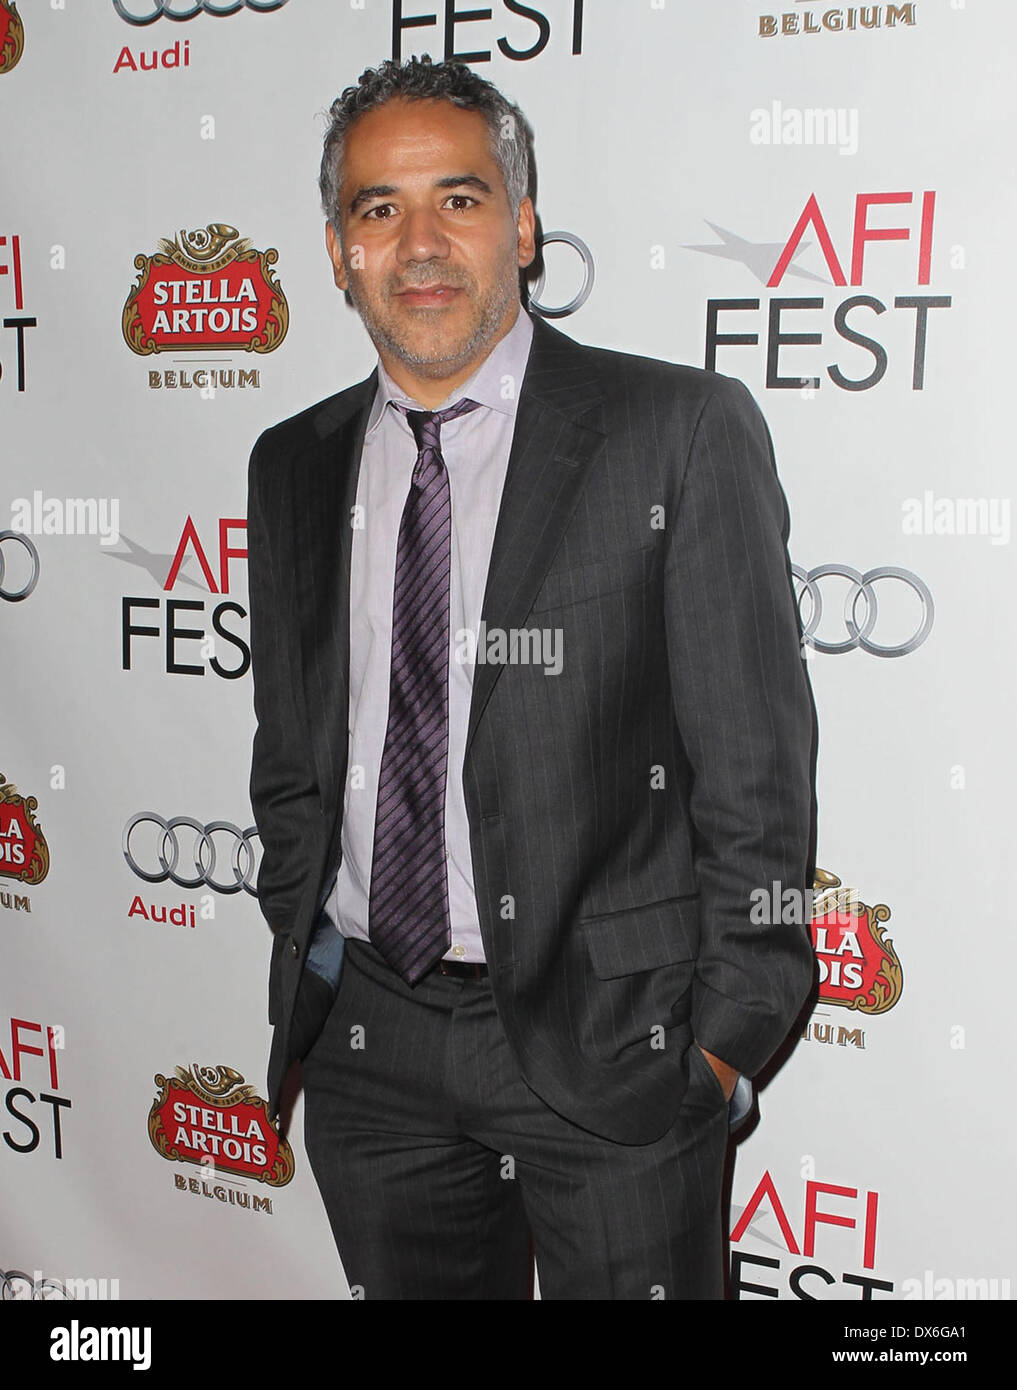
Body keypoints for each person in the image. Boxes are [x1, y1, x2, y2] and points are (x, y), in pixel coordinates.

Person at [246, 54, 817, 1300]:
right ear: (338, 251)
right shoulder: (291, 465)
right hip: (369, 1035)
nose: (421, 245)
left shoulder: (676, 428)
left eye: (458, 198)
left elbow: (755, 767)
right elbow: (293, 749)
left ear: (524, 221)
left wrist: (725, 1039)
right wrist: (301, 909)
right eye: (378, 210)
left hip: (616, 1036)